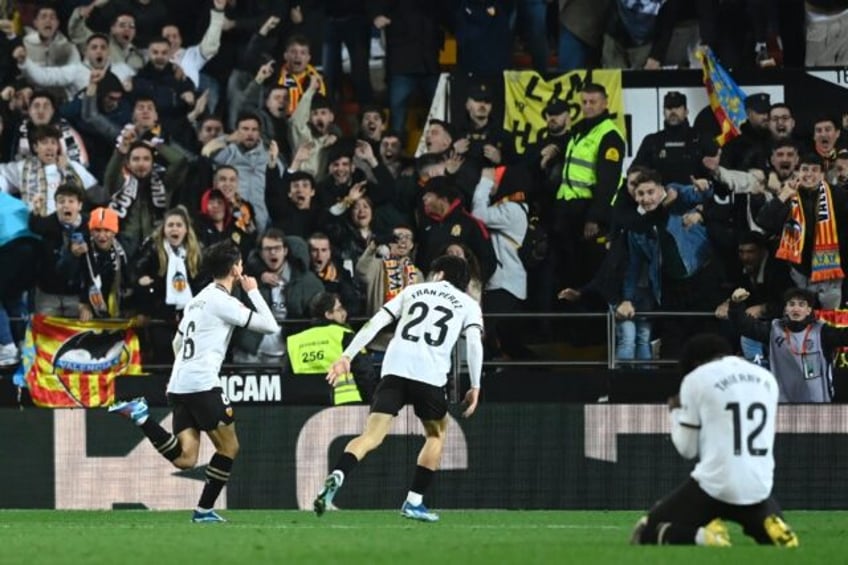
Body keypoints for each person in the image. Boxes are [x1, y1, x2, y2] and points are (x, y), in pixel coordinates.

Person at [108, 240, 279, 523]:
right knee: (229, 448)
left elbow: (177, 343)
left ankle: (141, 417)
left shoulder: (197, 300)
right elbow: (270, 326)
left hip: (179, 385)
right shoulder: (223, 301)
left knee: (185, 458)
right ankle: (202, 512)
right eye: (240, 264)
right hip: (202, 385)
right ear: (236, 269)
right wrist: (254, 293)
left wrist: (187, 369)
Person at [313, 255, 483, 522]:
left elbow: (376, 323)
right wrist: (475, 384)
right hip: (429, 375)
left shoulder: (413, 291)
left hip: (394, 370)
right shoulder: (468, 305)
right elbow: (474, 342)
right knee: (435, 435)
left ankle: (338, 474)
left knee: (371, 436)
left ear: (438, 274)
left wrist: (347, 355)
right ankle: (414, 501)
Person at [631, 333, 799, 547]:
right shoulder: (766, 378)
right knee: (761, 517)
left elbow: (688, 449)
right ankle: (770, 525)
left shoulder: (697, 378)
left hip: (714, 485)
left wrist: (676, 413)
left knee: (644, 533)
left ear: (696, 363)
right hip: (759, 486)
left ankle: (705, 535)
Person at [727, 286, 848, 403]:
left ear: (809, 310)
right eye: (792, 304)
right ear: (786, 309)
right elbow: (744, 325)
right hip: (784, 405)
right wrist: (735, 305)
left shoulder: (822, 332)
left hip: (818, 406)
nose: (796, 309)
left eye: (801, 305)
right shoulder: (773, 330)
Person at [285, 291, 377, 405]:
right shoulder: (345, 335)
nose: (344, 312)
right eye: (339, 309)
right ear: (328, 314)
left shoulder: (295, 341)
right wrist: (371, 401)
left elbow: (287, 379)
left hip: (305, 405)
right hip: (345, 403)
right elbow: (365, 373)